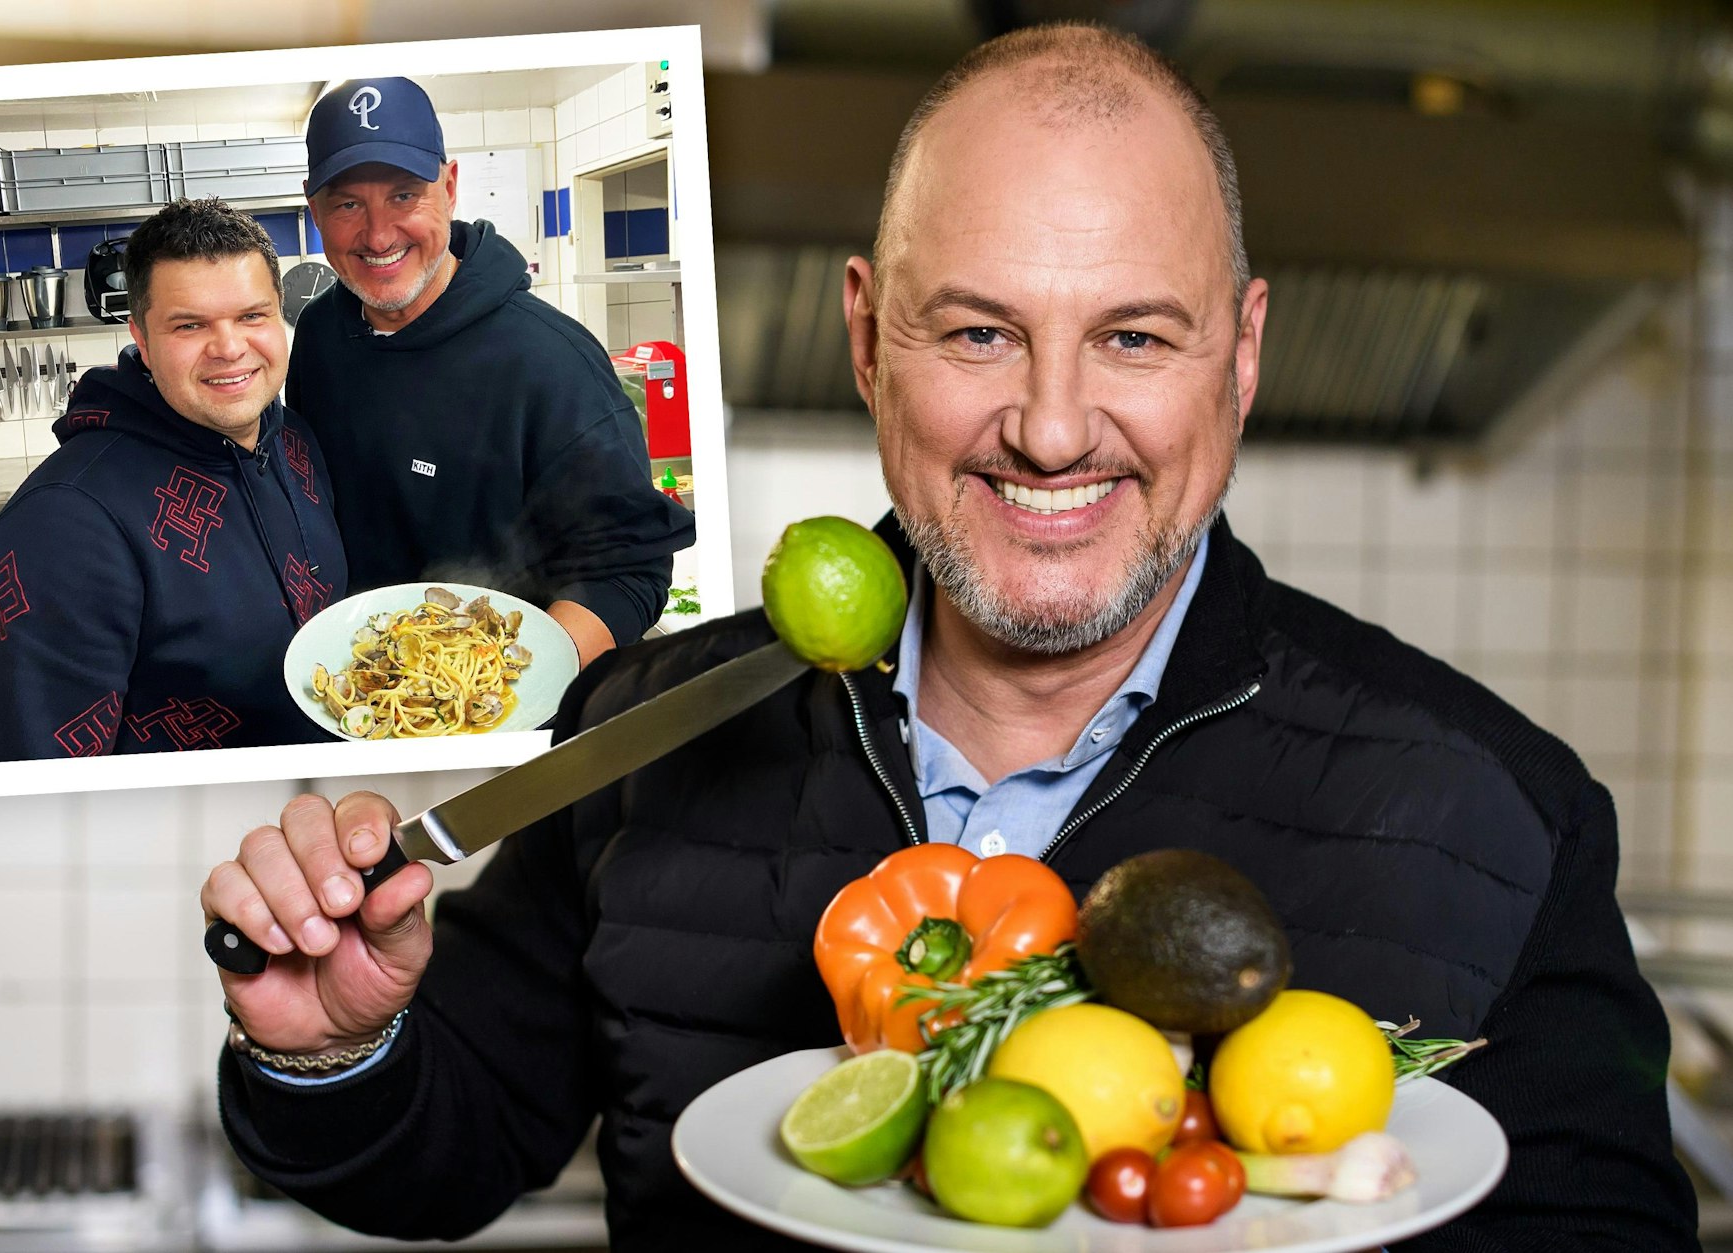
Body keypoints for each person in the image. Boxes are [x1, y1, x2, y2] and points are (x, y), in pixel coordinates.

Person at [204, 26, 1699, 1251]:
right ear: (867, 337)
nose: (1051, 430)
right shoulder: (644, 736)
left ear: (1241, 356)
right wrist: (329, 1045)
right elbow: (438, 1155)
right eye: (978, 332)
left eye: (1135, 336)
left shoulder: (1496, 811)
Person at [289, 76, 695, 671]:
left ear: (450, 188)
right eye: (348, 203)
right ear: (314, 207)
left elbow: (627, 568)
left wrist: (505, 691)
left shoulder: (553, 363)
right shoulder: (321, 334)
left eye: (404, 195)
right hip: (344, 683)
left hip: (500, 702)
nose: (377, 236)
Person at [0, 198, 346, 759]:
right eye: (190, 324)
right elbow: (34, 778)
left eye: (252, 316)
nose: (229, 348)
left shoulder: (293, 440)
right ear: (142, 340)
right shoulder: (63, 526)